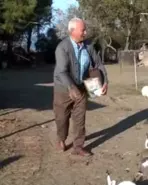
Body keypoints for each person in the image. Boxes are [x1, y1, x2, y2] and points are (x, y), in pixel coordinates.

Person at [53, 17, 108, 157]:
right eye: (82, 30)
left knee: (79, 118)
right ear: (72, 31)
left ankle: (78, 146)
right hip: (63, 88)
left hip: (82, 86)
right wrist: (71, 88)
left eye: (85, 29)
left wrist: (105, 81)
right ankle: (61, 139)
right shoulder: (62, 48)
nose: (85, 32)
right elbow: (61, 71)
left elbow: (98, 65)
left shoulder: (88, 46)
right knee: (61, 118)